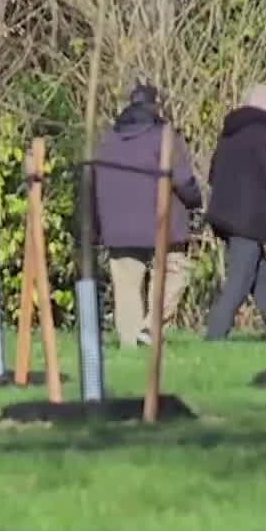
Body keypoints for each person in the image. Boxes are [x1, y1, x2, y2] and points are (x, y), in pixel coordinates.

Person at [94, 85, 203, 350]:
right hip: (161, 220)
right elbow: (183, 179)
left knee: (127, 284)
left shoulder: (108, 138)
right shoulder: (164, 136)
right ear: (156, 106)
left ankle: (131, 346)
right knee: (175, 271)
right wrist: (195, 201)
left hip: (116, 224)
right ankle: (151, 327)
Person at [203, 83, 266, 341]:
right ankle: (214, 337)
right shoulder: (265, 134)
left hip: (226, 217)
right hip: (248, 220)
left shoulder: (229, 133)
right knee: (239, 282)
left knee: (260, 282)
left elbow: (212, 174)